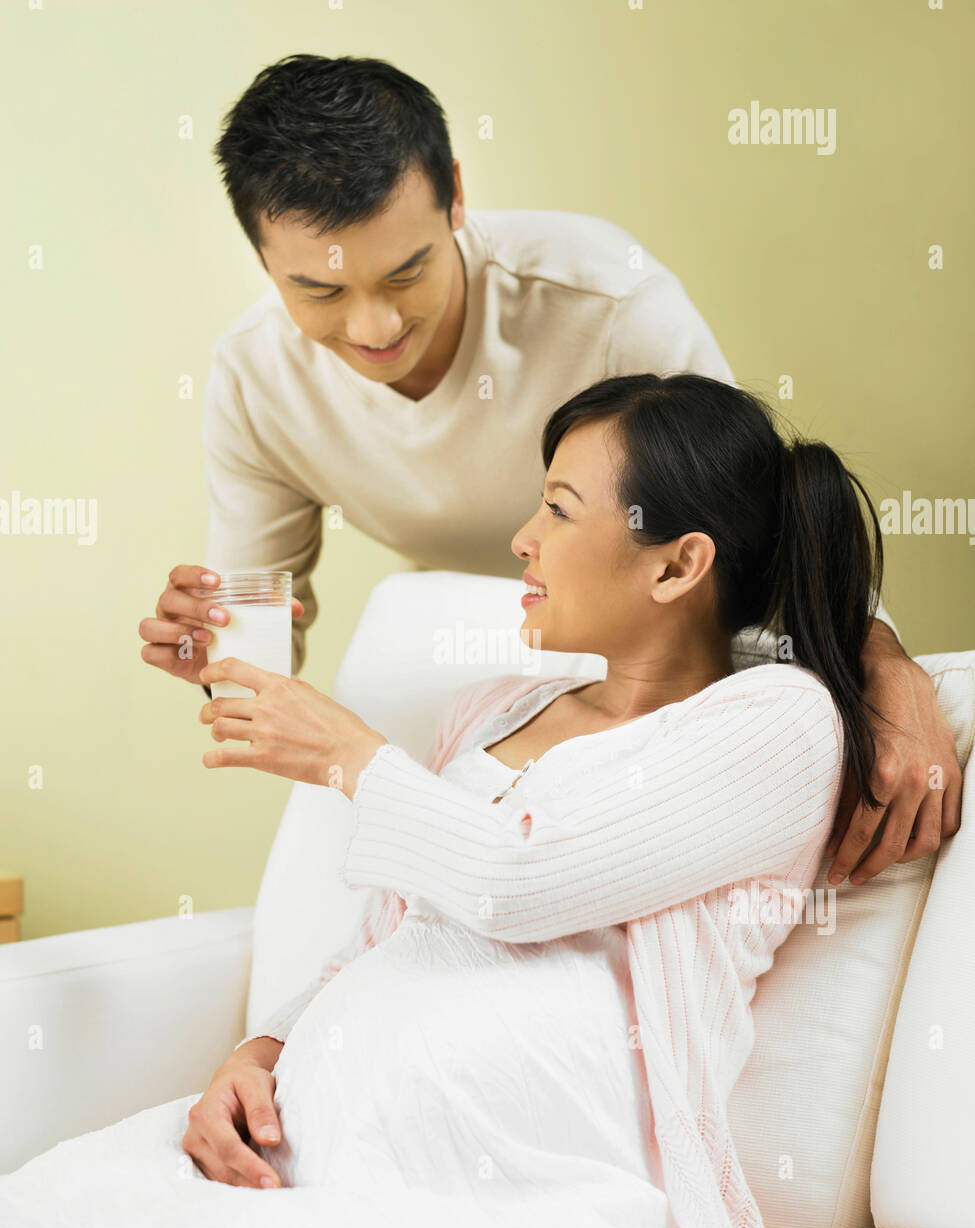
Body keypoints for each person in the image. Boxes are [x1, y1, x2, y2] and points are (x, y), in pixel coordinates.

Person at [3, 372, 917, 1228]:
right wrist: (260, 1054)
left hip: (514, 1191)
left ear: (677, 566)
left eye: (559, 510)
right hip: (307, 1148)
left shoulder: (775, 722)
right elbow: (388, 932)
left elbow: (516, 880)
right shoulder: (493, 709)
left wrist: (346, 756)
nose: (523, 538)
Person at [137, 53, 962, 895]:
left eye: (406, 271)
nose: (374, 326)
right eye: (318, 292)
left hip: (667, 669)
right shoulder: (254, 376)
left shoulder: (604, 299)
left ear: (456, 193)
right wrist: (213, 653)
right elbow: (255, 638)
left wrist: (886, 669)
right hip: (504, 678)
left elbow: (752, 505)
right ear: (263, 260)